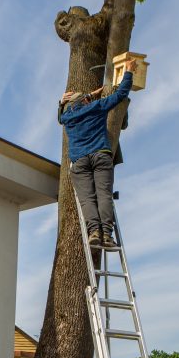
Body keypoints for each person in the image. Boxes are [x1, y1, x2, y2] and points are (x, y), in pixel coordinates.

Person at [58, 58, 137, 248]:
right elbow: (120, 95)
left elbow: (66, 112)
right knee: (104, 195)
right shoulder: (96, 107)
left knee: (87, 199)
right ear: (85, 102)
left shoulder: (67, 117)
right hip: (100, 156)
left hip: (80, 162)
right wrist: (129, 72)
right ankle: (107, 235)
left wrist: (62, 101)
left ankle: (94, 232)